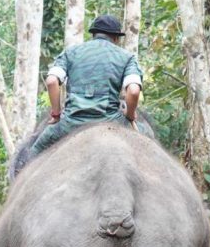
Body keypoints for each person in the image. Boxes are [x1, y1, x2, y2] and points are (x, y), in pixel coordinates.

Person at [28, 14, 143, 159]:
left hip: (70, 123)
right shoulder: (127, 57)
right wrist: (130, 116)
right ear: (115, 38)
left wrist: (56, 115)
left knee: (31, 157)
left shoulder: (71, 53)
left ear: (94, 34)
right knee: (148, 145)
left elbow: (51, 81)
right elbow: (133, 91)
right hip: (110, 121)